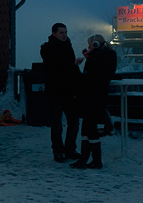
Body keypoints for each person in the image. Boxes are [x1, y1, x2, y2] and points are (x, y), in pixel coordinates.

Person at [71, 35, 117, 169]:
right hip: (99, 97)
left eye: (90, 44)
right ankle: (90, 159)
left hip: (90, 97)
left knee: (88, 129)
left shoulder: (96, 58)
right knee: (89, 127)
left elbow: (87, 78)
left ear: (96, 44)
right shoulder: (108, 56)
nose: (89, 47)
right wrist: (90, 57)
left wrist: (76, 66)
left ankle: (92, 160)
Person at [40, 23, 82, 163]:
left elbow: (69, 69)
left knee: (73, 123)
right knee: (57, 124)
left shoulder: (67, 46)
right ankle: (58, 151)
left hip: (68, 91)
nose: (64, 35)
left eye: (65, 32)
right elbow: (55, 67)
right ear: (54, 33)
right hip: (55, 91)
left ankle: (70, 149)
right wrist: (73, 65)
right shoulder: (47, 48)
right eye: (61, 32)